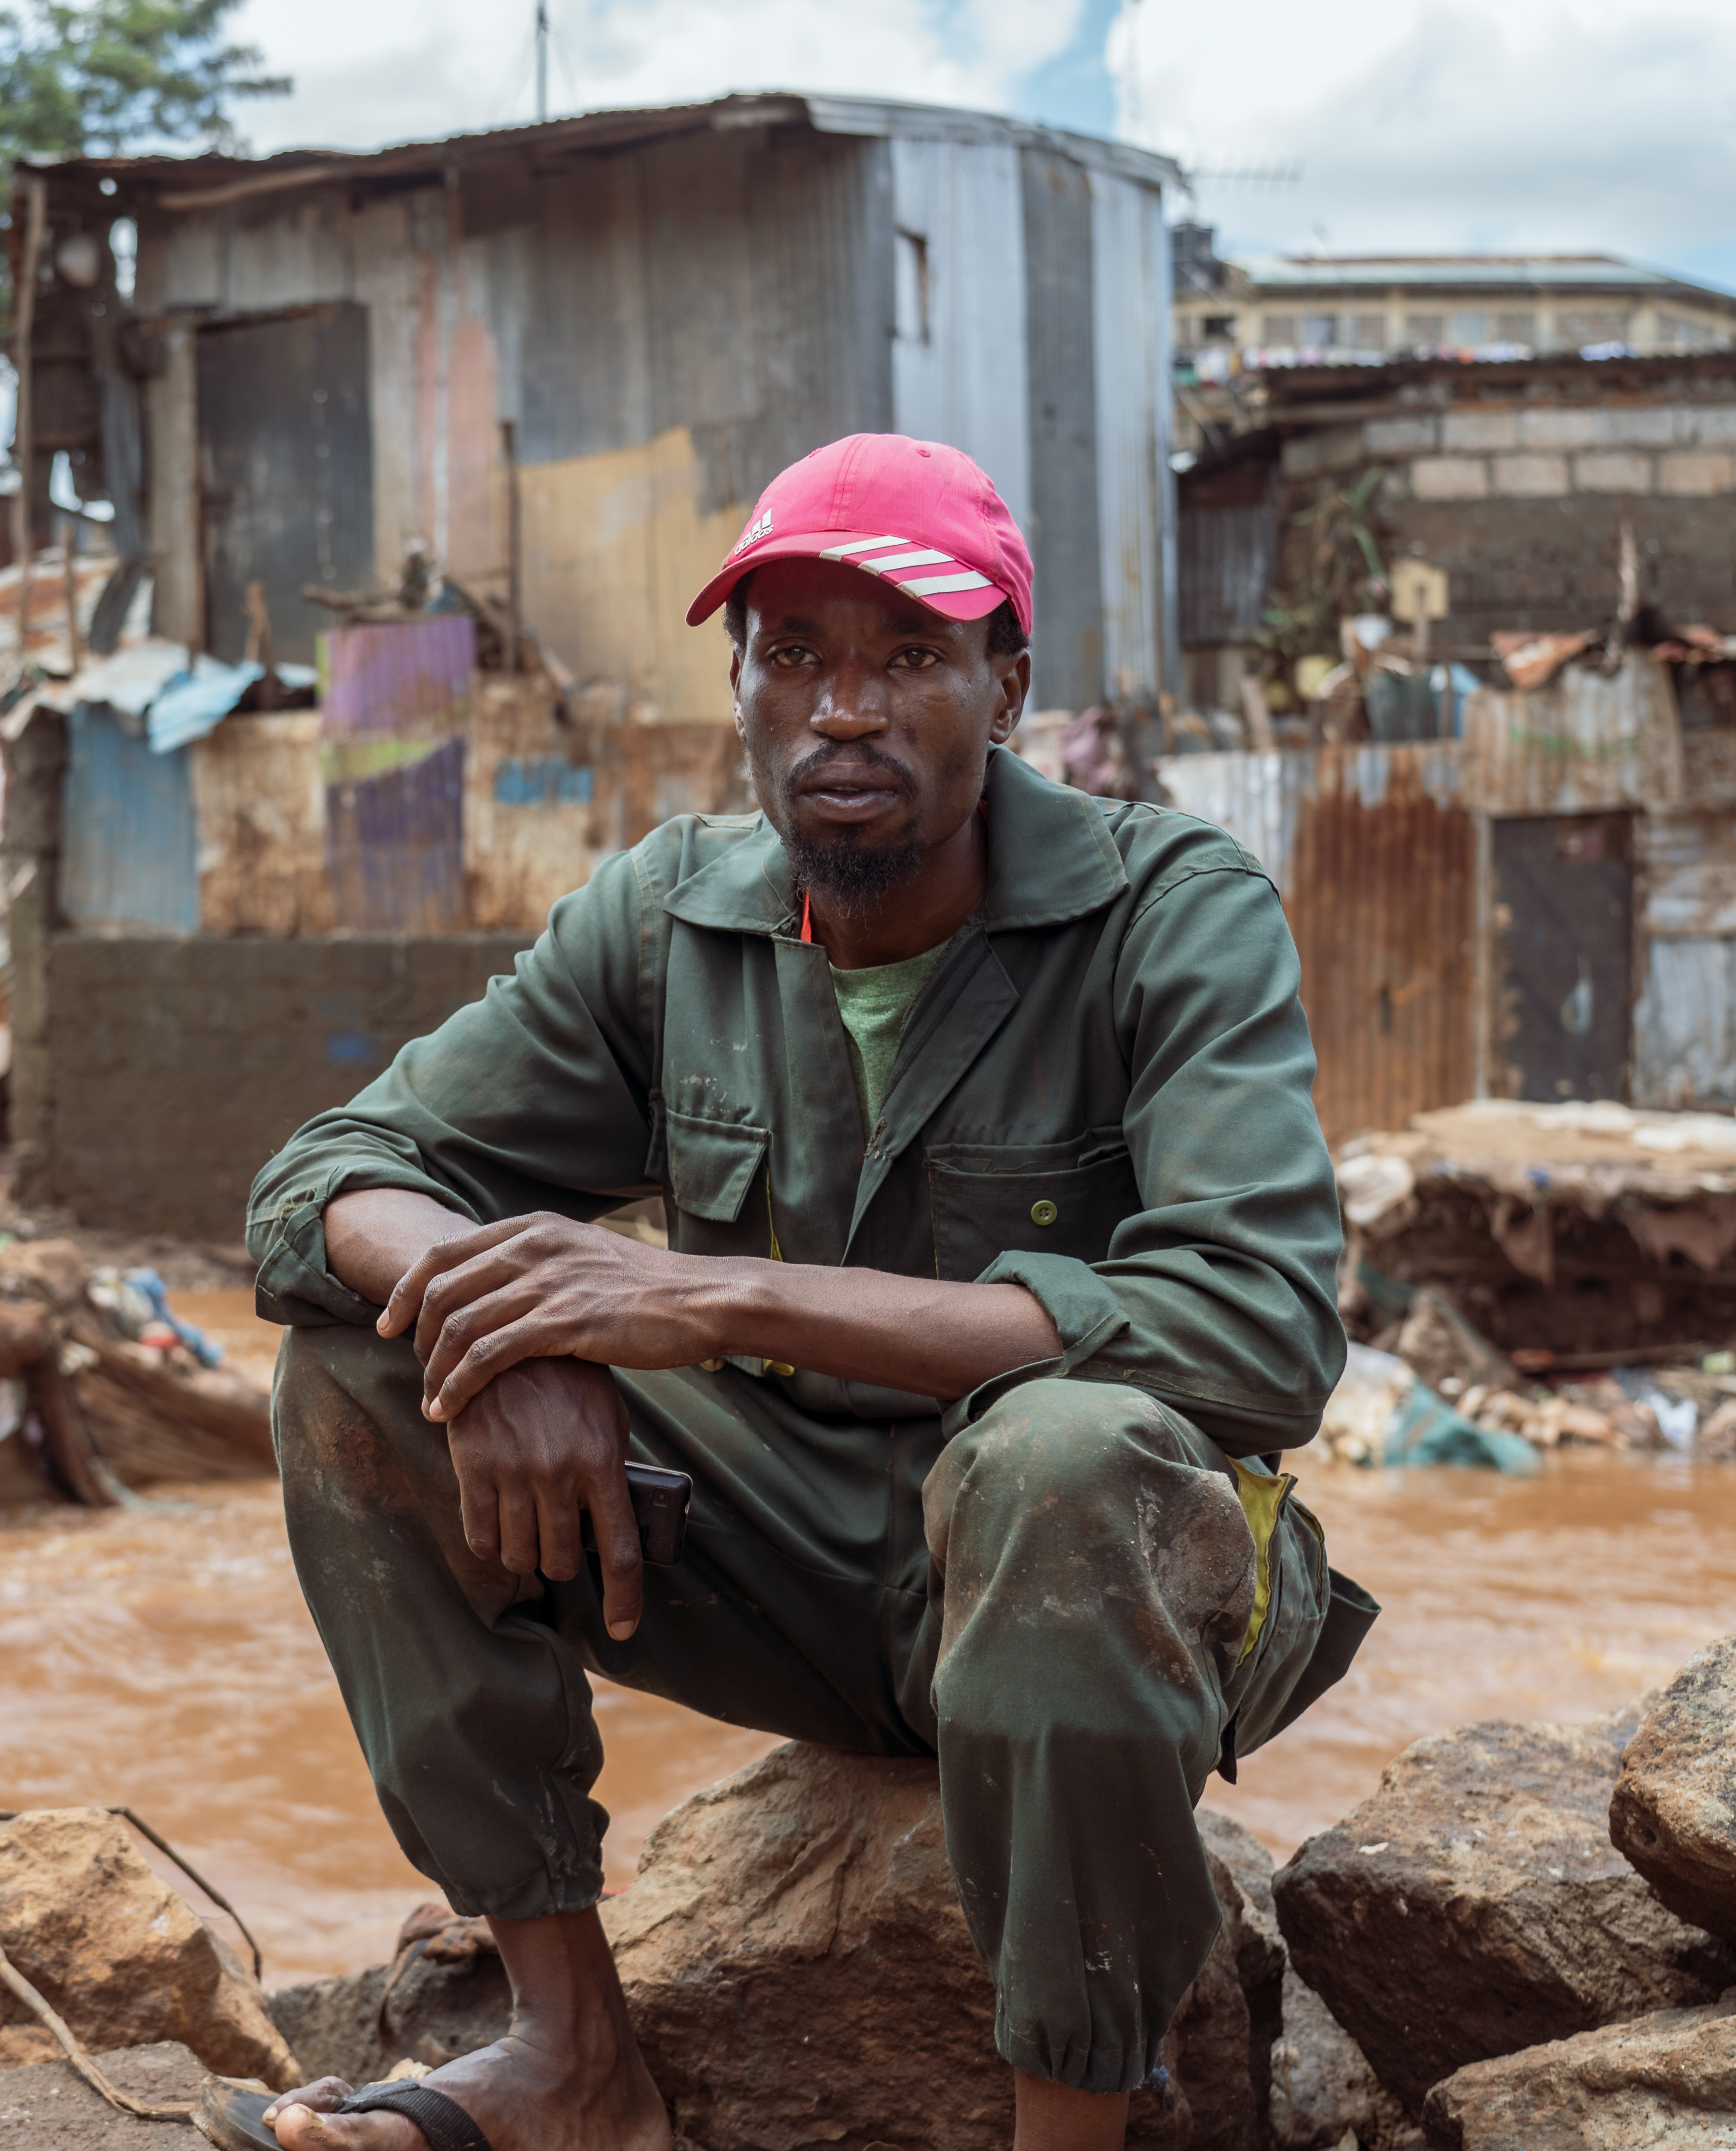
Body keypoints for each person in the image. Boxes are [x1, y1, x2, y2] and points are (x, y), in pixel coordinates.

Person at [222, 435, 1372, 2151]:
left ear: (1005, 685)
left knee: (1057, 1455)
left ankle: (1069, 2135)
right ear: (740, 689)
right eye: (796, 656)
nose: (845, 709)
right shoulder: (666, 917)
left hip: (1108, 1573)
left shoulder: (1168, 911)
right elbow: (322, 1176)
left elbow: (1262, 1331)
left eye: (909, 657)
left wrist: (713, 1299)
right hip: (798, 1568)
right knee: (360, 1370)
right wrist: (502, 1327)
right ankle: (569, 2058)